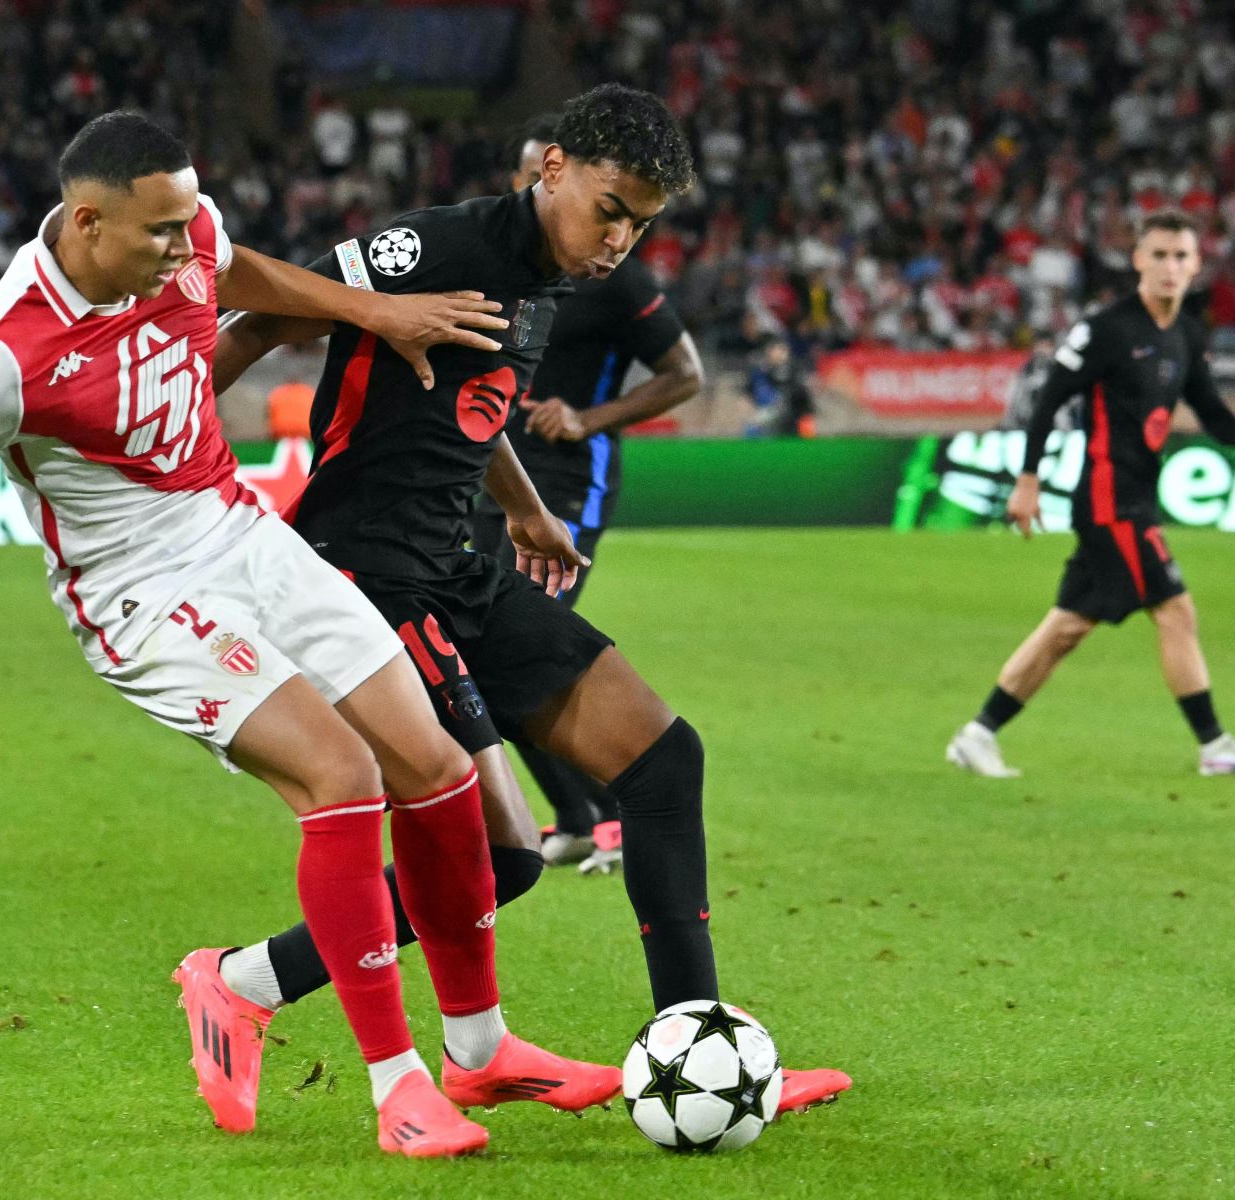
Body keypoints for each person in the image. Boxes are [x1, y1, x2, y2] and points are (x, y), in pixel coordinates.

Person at [0, 110, 618, 1160]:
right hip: (137, 593)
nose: (189, 249)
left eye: (189, 223)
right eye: (163, 234)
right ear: (87, 224)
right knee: (344, 774)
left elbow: (248, 273)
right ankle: (396, 1088)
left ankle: (479, 1047)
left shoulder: (186, 228)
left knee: (439, 770)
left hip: (239, 532)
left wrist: (376, 311)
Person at [207, 84, 850, 1118]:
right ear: (553, 168)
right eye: (611, 208)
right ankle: (240, 985)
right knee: (499, 853)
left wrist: (521, 509)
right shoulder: (443, 247)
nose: (620, 239)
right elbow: (256, 317)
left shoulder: (544, 277)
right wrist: (177, 452)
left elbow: (473, 401)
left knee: (655, 762)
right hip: (362, 568)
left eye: (642, 222)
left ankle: (702, 1048)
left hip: (458, 563)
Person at [947, 209, 1235, 779]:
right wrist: (1028, 480)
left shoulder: (1184, 333)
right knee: (1175, 610)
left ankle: (977, 734)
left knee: (1066, 628)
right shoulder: (1106, 329)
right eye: (1158, 255)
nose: (1170, 267)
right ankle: (1215, 746)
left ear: (1197, 265)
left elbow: (1206, 404)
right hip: (1110, 502)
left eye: (1181, 257)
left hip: (1133, 499)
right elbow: (1047, 400)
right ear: (1137, 261)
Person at [467, 114, 704, 870]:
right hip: (491, 475)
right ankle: (575, 816)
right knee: (482, 649)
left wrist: (588, 417)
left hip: (572, 481)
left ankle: (613, 815)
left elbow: (686, 374)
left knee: (521, 645)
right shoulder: (502, 264)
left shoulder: (615, 275)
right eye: (532, 177)